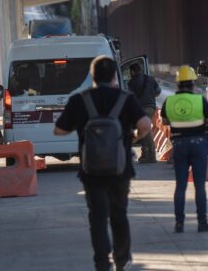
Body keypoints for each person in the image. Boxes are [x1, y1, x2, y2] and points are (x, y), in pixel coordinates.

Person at [53, 56, 152, 271]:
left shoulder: (80, 100)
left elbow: (59, 130)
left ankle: (101, 262)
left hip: (91, 171)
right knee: (119, 215)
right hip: (120, 169)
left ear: (92, 76)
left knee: (97, 218)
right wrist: (132, 137)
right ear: (115, 76)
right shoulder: (125, 98)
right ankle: (122, 259)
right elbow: (146, 124)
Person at [160, 66, 208, 234]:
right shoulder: (200, 100)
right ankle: (202, 222)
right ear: (193, 83)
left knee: (181, 186)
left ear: (177, 84)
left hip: (178, 145)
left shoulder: (169, 102)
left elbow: (163, 121)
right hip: (199, 144)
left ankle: (179, 223)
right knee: (199, 186)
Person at [127, 63, 162, 163]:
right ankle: (144, 155)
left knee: (145, 131)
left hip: (140, 109)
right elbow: (158, 91)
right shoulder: (150, 79)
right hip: (151, 107)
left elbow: (130, 96)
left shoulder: (131, 83)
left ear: (132, 71)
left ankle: (151, 155)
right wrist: (150, 95)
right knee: (143, 130)